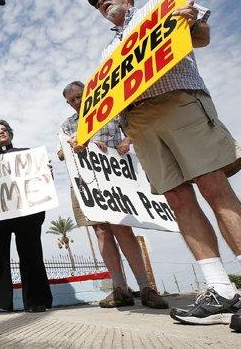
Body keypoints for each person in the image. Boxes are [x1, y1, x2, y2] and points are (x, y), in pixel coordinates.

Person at [82, 0, 241, 333]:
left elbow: (202, 35)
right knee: (178, 199)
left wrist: (191, 22)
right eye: (96, 2)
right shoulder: (108, 52)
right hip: (139, 123)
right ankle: (220, 289)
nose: (100, 0)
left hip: (178, 100)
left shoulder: (159, 6)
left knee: (212, 185)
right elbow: (109, 100)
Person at [58, 81, 168, 310]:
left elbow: (132, 132)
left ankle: (145, 287)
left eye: (80, 96)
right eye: (72, 101)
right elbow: (61, 153)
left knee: (122, 227)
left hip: (116, 181)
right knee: (101, 232)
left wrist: (125, 143)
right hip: (86, 183)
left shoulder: (110, 110)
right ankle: (120, 288)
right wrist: (72, 145)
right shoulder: (68, 125)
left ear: (89, 93)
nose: (77, 102)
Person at [0, 120, 53, 316]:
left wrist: (45, 171)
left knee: (31, 253)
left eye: (4, 130)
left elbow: (41, 178)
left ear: (10, 134)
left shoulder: (26, 155)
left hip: (26, 213)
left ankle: (36, 300)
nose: (1, 132)